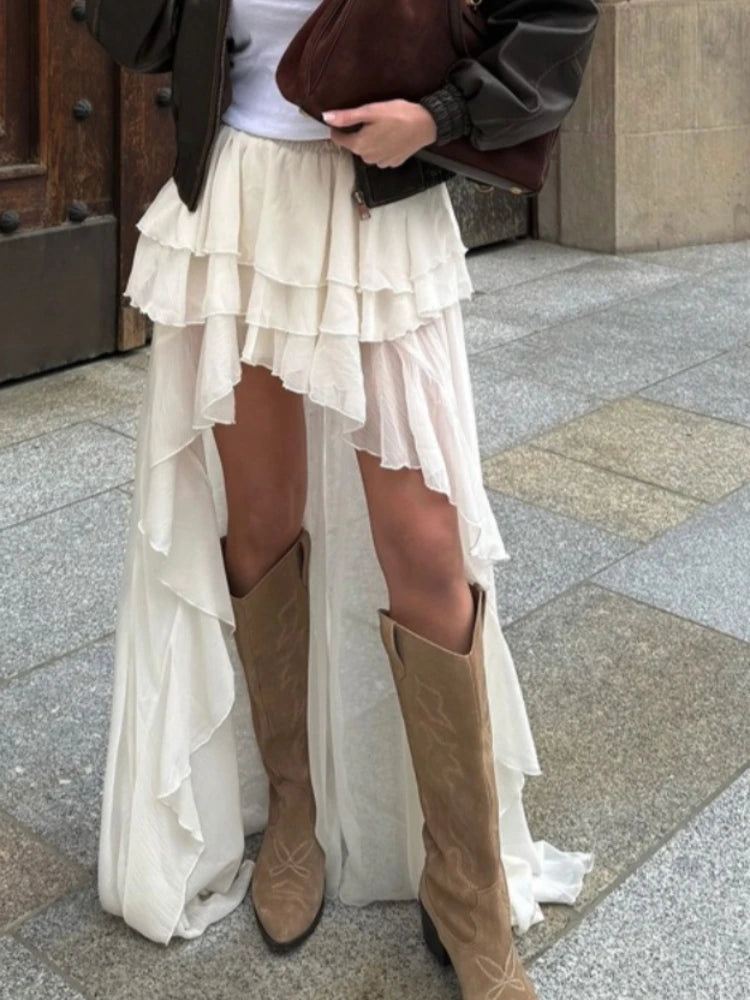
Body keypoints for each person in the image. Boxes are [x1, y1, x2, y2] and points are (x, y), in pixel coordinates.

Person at [92, 1, 599, 997]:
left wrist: (440, 114)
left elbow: (557, 16)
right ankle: (294, 808)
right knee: (260, 518)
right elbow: (138, 32)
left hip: (381, 204)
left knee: (425, 541)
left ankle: (466, 890)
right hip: (241, 194)